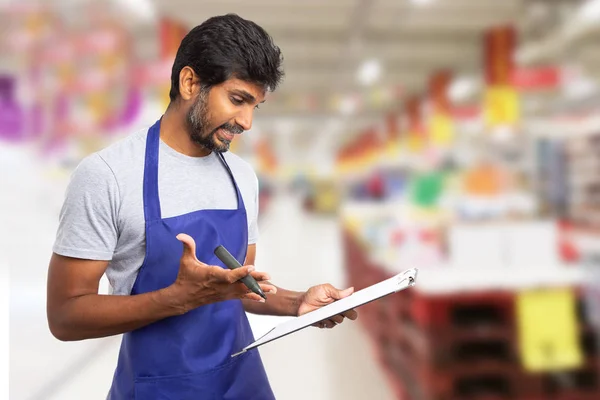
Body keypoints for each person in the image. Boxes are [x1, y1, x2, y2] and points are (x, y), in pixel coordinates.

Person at [46, 14, 358, 400]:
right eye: (237, 100)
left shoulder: (242, 177)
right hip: (159, 389)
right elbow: (64, 315)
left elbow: (240, 288)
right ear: (190, 82)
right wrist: (174, 299)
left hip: (242, 384)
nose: (246, 122)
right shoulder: (108, 175)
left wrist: (298, 302)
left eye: (255, 107)